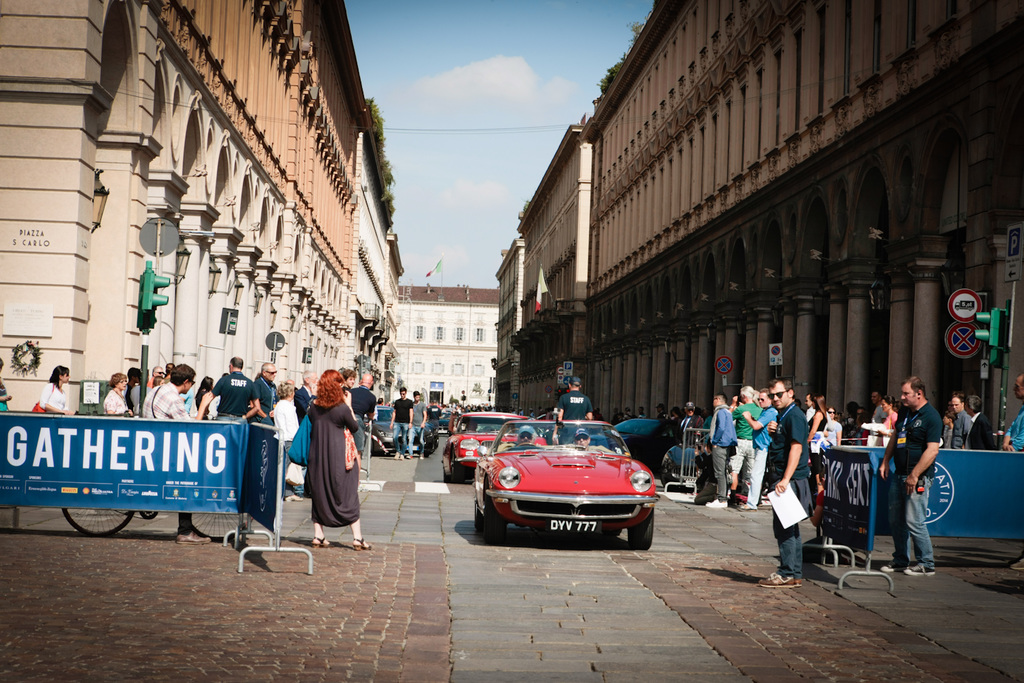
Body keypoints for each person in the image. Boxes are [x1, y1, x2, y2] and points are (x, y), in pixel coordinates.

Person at [879, 376, 942, 576]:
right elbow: (896, 437)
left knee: (915, 520)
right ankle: (900, 559)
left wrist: (914, 475)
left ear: (919, 393)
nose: (902, 397)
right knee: (896, 520)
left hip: (918, 477)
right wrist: (885, 460)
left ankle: (926, 563)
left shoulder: (931, 417)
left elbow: (932, 451)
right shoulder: (905, 412)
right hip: (899, 474)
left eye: (906, 393)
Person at [141, 363, 208, 544]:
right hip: (164, 451)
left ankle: (187, 527)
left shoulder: (155, 390)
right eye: (191, 383)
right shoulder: (174, 399)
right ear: (185, 382)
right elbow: (191, 427)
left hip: (150, 447)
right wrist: (203, 406)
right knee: (186, 483)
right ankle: (185, 531)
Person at [306, 369, 369, 550]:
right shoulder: (341, 408)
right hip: (337, 456)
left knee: (319, 493)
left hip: (316, 456)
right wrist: (348, 404)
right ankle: (357, 537)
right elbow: (355, 426)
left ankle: (318, 535)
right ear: (336, 386)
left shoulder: (314, 407)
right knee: (347, 493)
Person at [759, 378, 813, 588]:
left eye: (778, 395)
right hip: (782, 476)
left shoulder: (795, 416)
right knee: (790, 527)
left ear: (790, 393)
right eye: (772, 395)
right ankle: (794, 573)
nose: (775, 399)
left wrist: (785, 480)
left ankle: (787, 572)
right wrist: (774, 432)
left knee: (785, 528)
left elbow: (797, 448)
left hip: (788, 478)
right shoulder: (784, 416)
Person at [741, 388, 777, 510]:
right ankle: (755, 500)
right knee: (757, 475)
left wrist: (747, 417)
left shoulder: (770, 412)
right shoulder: (765, 411)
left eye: (762, 399)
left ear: (769, 400)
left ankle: (752, 503)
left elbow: (756, 426)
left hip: (764, 447)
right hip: (760, 446)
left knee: (756, 475)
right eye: (759, 399)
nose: (760, 401)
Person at [705, 393, 737, 509]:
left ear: (718, 399)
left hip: (720, 444)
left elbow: (721, 427)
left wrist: (714, 441)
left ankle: (722, 499)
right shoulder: (728, 412)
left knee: (719, 472)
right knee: (723, 471)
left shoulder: (721, 411)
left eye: (714, 399)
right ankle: (722, 497)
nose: (713, 402)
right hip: (726, 444)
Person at [731, 386, 760, 505]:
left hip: (740, 440)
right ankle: (752, 497)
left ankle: (732, 496)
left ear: (743, 397)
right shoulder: (759, 409)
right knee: (752, 471)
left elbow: (728, 417)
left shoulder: (741, 409)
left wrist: (733, 404)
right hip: (754, 442)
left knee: (735, 469)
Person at [275, 382, 303, 501]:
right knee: (288, 467)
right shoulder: (289, 407)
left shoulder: (278, 406)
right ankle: (288, 493)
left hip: (280, 437)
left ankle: (287, 492)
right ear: (291, 394)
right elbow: (291, 425)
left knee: (284, 466)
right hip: (288, 438)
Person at [350, 373, 376, 453]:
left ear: (361, 382)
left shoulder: (351, 392)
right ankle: (357, 465)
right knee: (358, 450)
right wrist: (372, 418)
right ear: (371, 383)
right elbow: (370, 414)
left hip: (345, 419)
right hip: (357, 420)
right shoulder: (372, 397)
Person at [390, 387, 414, 459]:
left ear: (405, 393)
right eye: (401, 394)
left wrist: (410, 422)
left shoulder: (409, 402)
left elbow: (411, 412)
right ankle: (398, 451)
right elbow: (394, 412)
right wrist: (392, 422)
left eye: (403, 394)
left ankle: (402, 454)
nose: (402, 395)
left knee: (404, 439)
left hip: (406, 423)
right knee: (395, 437)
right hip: (397, 422)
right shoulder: (397, 402)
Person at [410, 391, 428, 458]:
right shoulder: (411, 404)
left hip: (420, 425)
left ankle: (421, 452)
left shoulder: (422, 405)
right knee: (411, 440)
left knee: (421, 440)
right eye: (416, 397)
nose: (418, 398)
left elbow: (425, 415)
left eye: (418, 397)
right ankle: (411, 454)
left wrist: (423, 422)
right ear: (414, 397)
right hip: (413, 425)